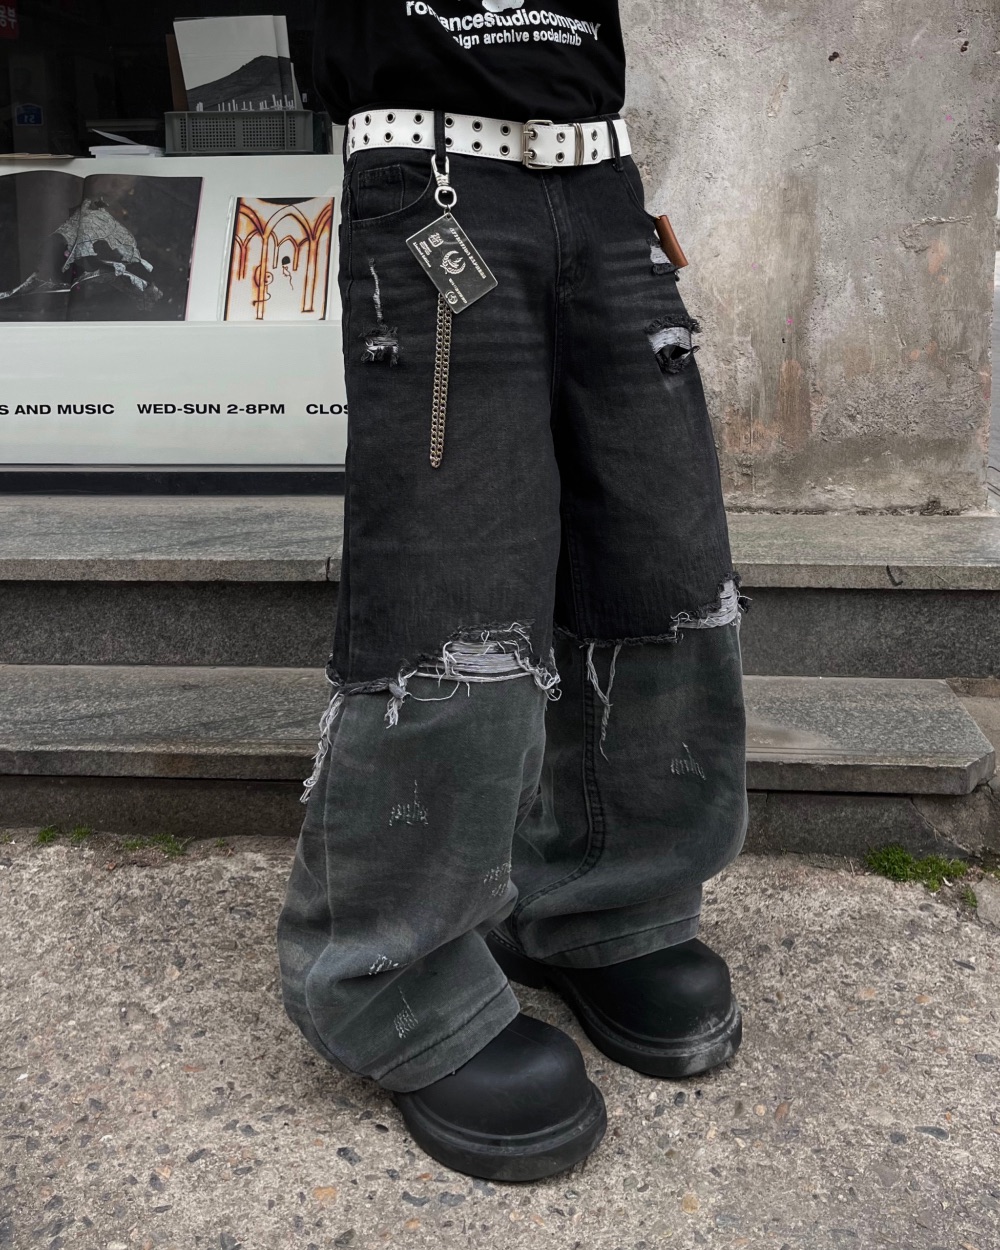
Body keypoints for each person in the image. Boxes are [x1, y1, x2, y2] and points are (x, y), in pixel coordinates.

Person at [276, 0, 748, 1183]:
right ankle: (393, 976)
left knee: (657, 555)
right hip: (432, 181)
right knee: (456, 579)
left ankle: (604, 901)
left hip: (602, 183)